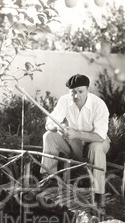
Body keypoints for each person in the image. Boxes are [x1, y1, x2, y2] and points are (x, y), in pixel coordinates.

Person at [41, 74, 110, 207]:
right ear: (69, 92)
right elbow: (49, 123)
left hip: (95, 142)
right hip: (74, 143)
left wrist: (76, 134)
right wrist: (56, 127)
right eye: (73, 92)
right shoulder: (65, 100)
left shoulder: (99, 105)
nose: (76, 96)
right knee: (49, 136)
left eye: (80, 91)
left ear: (87, 90)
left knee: (96, 147)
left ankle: (99, 194)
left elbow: (100, 136)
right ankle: (49, 179)